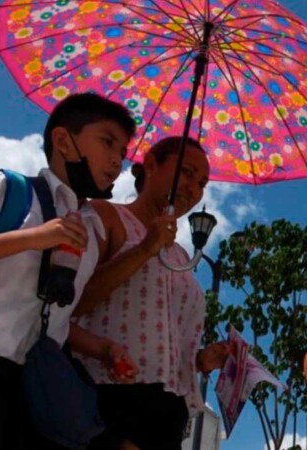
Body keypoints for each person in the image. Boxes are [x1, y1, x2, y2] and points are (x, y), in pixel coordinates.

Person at [0, 92, 137, 450]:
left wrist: (102, 348)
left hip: (33, 395)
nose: (117, 161)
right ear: (63, 141)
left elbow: (53, 318)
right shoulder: (9, 189)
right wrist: (31, 238)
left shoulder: (92, 232)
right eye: (107, 142)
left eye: (123, 152)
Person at [70, 136, 229, 450]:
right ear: (151, 166)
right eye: (186, 173)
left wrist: (199, 360)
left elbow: (161, 344)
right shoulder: (105, 217)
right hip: (106, 398)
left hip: (166, 414)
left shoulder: (181, 257)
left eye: (202, 183)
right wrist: (145, 248)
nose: (193, 189)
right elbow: (69, 301)